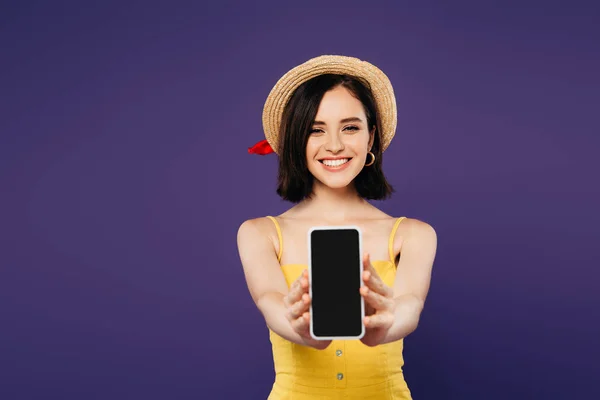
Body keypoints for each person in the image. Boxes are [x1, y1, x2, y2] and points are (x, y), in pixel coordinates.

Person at [237, 55, 438, 400]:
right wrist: (303, 332)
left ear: (371, 136)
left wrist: (387, 324)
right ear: (296, 140)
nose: (334, 145)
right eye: (316, 130)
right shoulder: (259, 233)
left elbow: (410, 304)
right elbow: (270, 303)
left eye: (350, 127)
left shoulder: (415, 235)